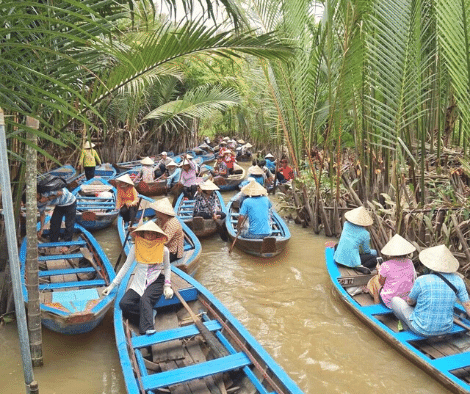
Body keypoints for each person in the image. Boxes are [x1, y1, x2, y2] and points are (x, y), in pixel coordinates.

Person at [101, 221, 173, 335]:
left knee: (145, 300)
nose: (149, 235)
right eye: (147, 233)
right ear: (142, 234)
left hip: (156, 280)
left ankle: (146, 329)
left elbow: (168, 267)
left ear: (157, 235)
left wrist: (167, 286)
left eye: (152, 233)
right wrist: (112, 285)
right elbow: (126, 266)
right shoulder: (136, 247)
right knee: (124, 304)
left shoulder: (163, 250)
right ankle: (150, 313)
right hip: (139, 280)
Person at [390, 244, 470, 337]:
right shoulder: (458, 280)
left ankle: (406, 328)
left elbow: (410, 301)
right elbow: (468, 306)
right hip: (446, 329)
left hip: (421, 329)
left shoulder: (422, 280)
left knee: (394, 300)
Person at [366, 234, 416, 307]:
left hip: (390, 301)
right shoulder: (410, 262)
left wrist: (378, 271)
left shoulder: (385, 265)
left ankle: (376, 306)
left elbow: (381, 283)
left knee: (375, 283)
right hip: (405, 299)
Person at [333, 206, 378, 274]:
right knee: (374, 258)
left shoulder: (346, 224)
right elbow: (366, 251)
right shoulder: (365, 233)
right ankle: (359, 266)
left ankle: (356, 264)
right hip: (352, 262)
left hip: (338, 260)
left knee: (337, 245)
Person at [37, 186, 77, 251]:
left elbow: (61, 192)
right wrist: (41, 229)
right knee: (54, 222)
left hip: (70, 202)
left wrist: (47, 198)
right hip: (60, 204)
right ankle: (53, 242)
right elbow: (42, 215)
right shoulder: (39, 203)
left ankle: (67, 245)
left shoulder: (46, 192)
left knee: (69, 224)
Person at [150, 198, 184, 262]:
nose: (155, 212)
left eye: (156, 211)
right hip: (162, 248)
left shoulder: (172, 223)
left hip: (172, 252)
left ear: (161, 212)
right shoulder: (160, 220)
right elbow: (151, 227)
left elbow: (164, 240)